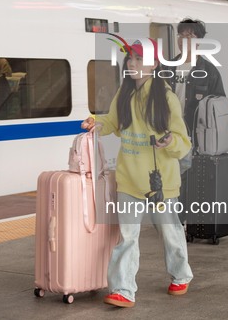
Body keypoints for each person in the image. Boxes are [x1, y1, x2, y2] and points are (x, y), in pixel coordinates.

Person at [82, 38, 193, 308]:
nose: (132, 64)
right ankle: (123, 289)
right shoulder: (125, 93)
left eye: (138, 59)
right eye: (130, 59)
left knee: (169, 231)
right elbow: (112, 121)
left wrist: (170, 142)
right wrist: (95, 122)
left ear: (153, 64)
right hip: (129, 179)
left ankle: (181, 273)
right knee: (127, 236)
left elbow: (183, 142)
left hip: (160, 183)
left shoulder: (166, 98)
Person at [169, 19, 226, 222]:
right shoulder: (166, 69)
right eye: (181, 35)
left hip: (194, 136)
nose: (184, 40)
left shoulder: (210, 73)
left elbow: (219, 107)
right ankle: (173, 220)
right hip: (169, 135)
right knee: (170, 178)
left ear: (199, 41)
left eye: (190, 36)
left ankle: (181, 221)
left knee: (187, 179)